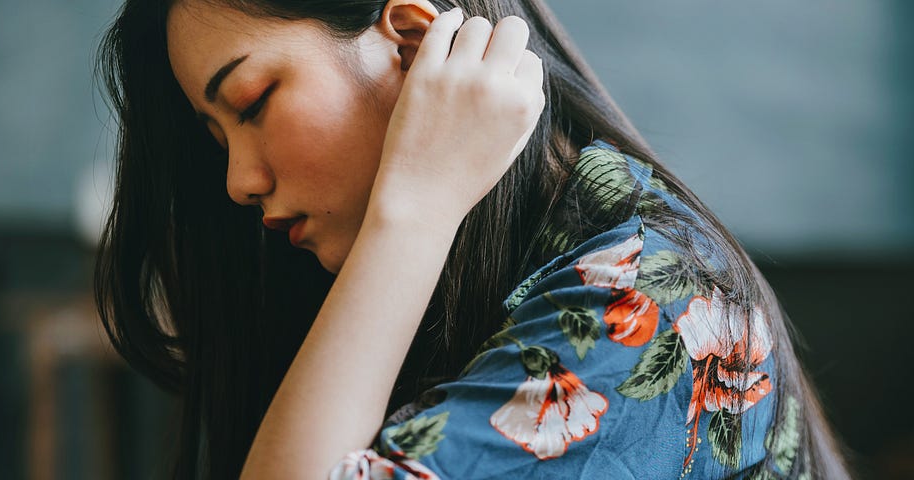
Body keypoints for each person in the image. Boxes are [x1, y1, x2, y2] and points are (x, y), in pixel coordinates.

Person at [93, 0, 850, 478]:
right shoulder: (445, 285)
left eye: (253, 103)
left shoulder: (651, 298)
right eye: (215, 138)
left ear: (415, 46)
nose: (238, 182)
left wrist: (416, 205)